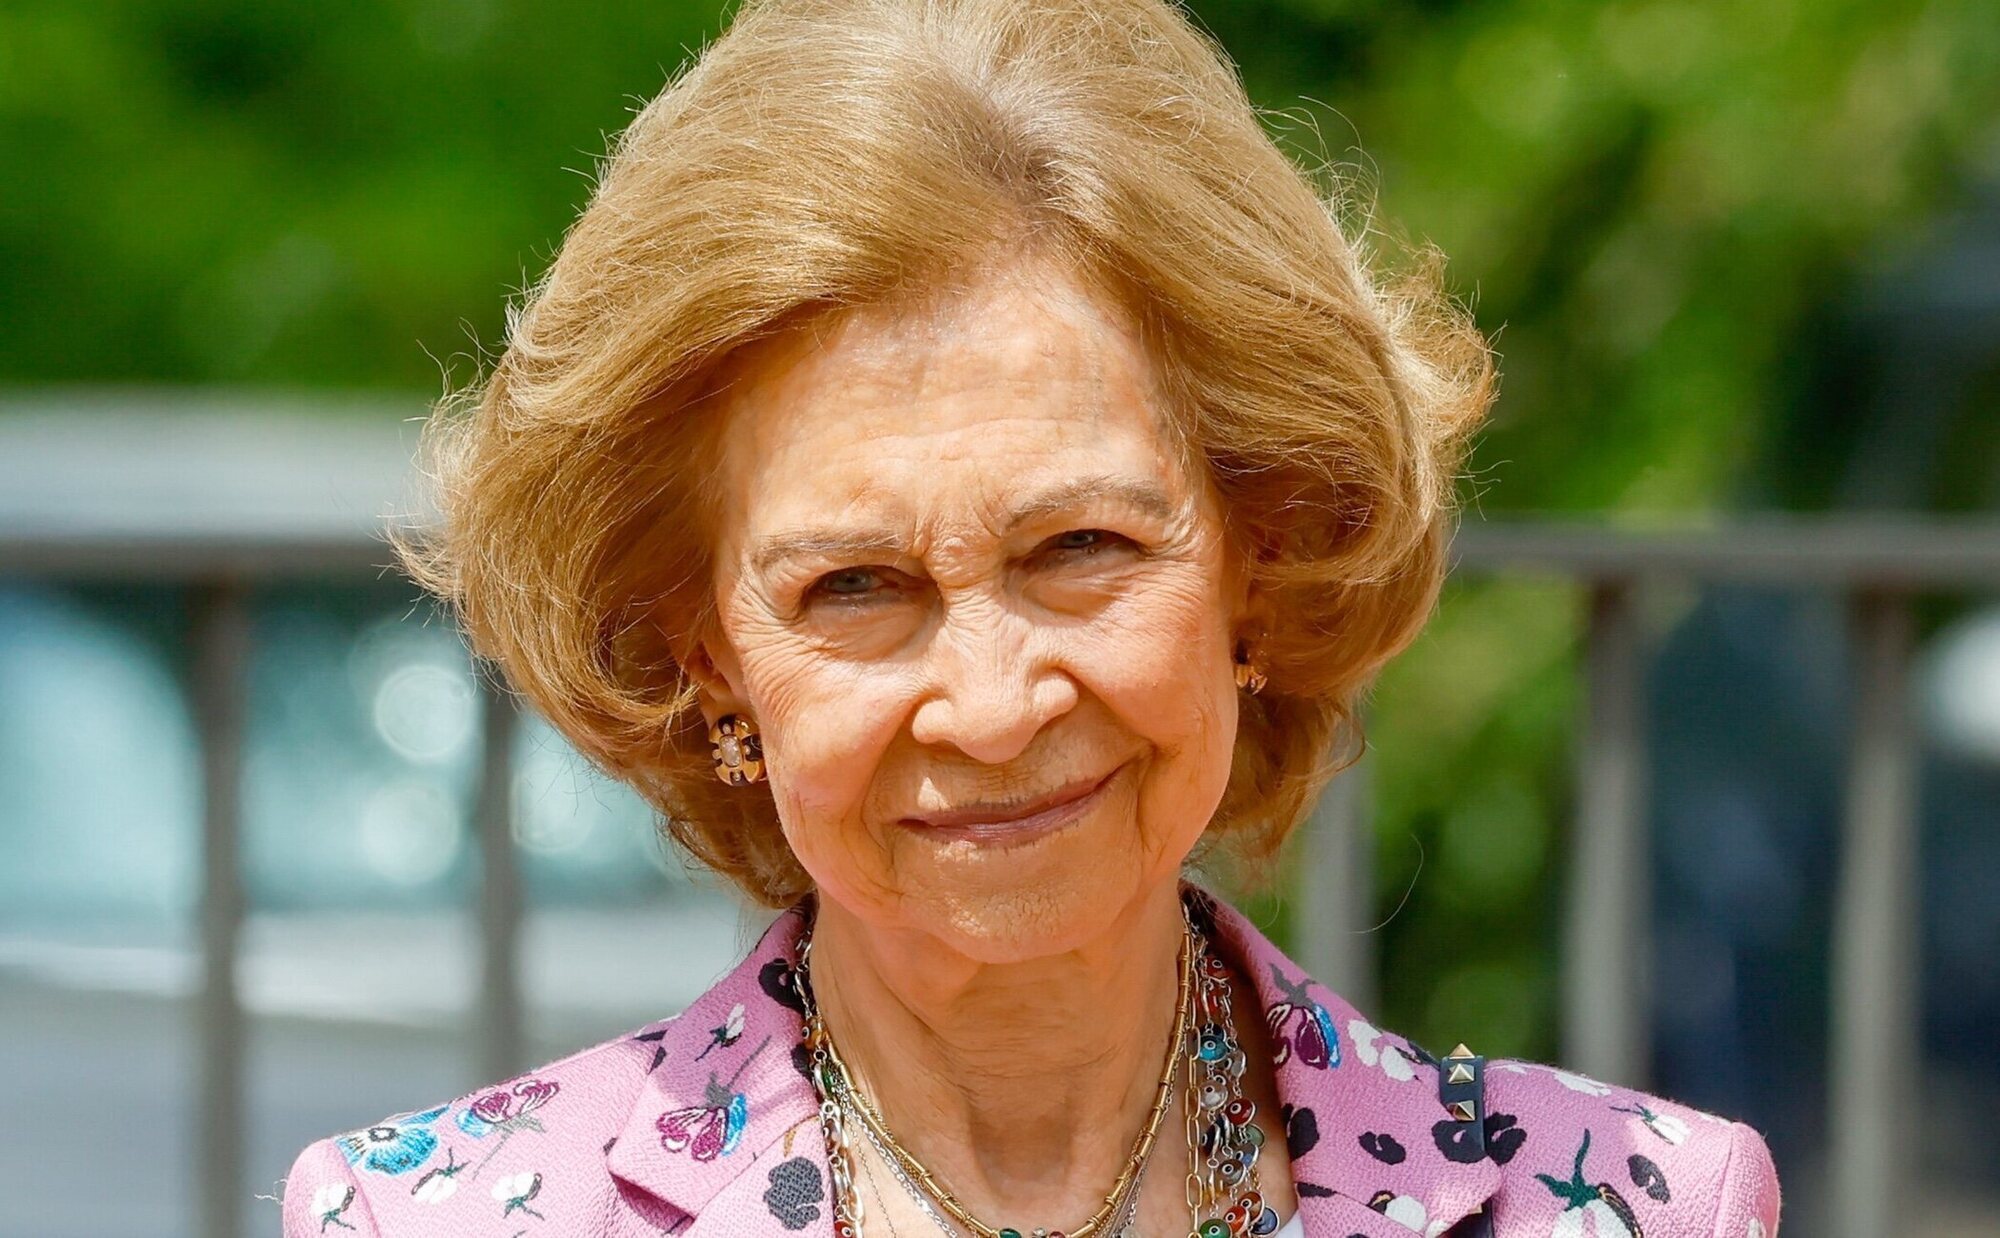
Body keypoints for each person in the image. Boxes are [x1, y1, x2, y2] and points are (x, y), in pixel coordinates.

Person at [280, 1, 1782, 1234]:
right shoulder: (445, 1216)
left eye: (1080, 546)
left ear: (1258, 560)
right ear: (704, 652)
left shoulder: (1626, 1209)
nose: (994, 705)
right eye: (853, 586)